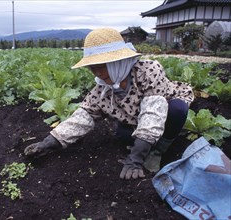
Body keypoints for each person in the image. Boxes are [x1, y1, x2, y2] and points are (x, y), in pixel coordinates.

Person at [24, 28, 194, 180]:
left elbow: (153, 114)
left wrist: (135, 159)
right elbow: (82, 117)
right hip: (136, 118)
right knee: (122, 135)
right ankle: (146, 144)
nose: (97, 72)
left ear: (117, 61)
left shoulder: (148, 71)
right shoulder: (102, 89)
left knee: (177, 110)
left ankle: (158, 150)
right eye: (92, 67)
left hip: (165, 110)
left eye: (102, 66)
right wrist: (48, 143)